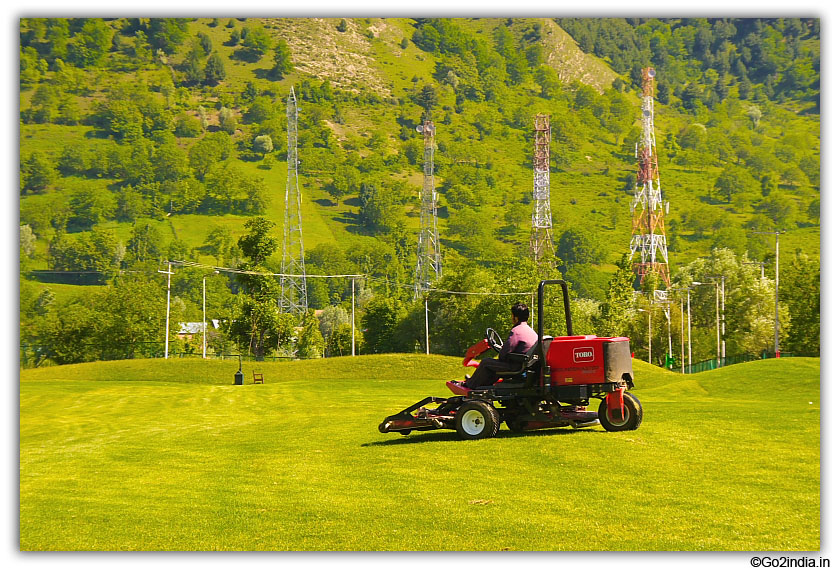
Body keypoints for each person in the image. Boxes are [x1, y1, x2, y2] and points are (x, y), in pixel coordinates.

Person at [461, 302, 539, 389]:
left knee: (486, 362)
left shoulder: (516, 331)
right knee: (493, 366)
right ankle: (483, 386)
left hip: (516, 366)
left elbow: (503, 354)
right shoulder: (531, 332)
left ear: (515, 318)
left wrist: (502, 352)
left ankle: (470, 385)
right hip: (525, 366)